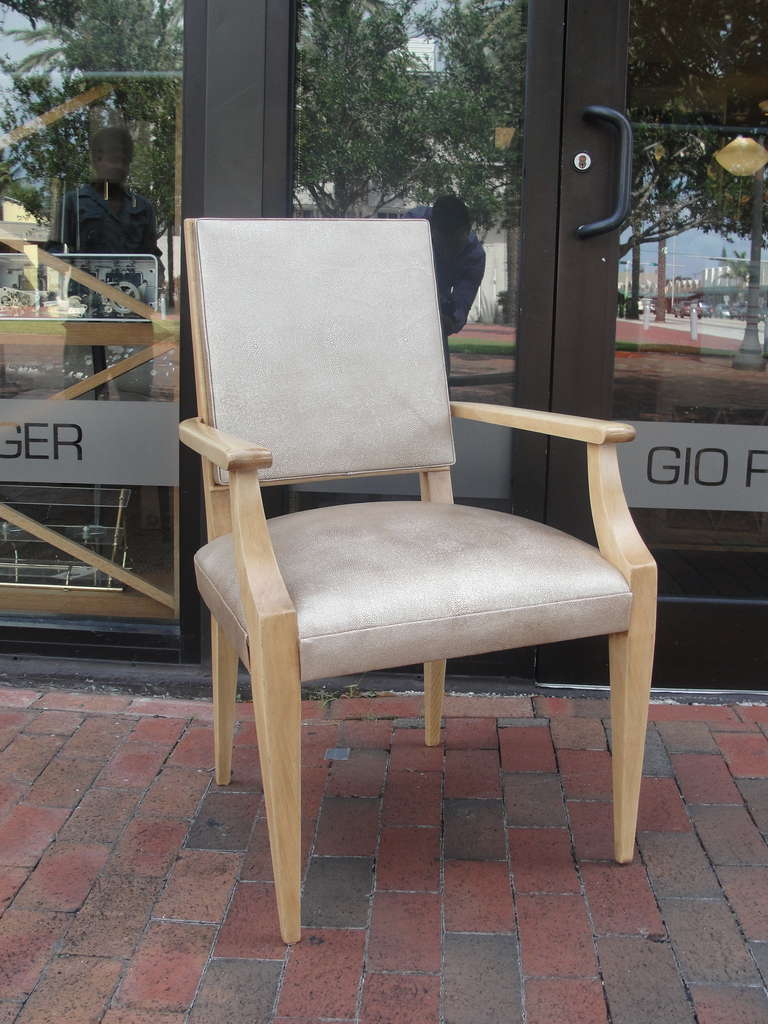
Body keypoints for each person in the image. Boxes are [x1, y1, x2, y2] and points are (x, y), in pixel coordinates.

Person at [406, 195, 486, 370]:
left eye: (455, 244)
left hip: (434, 319)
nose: (448, 253)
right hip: (398, 307)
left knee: (439, 377)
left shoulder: (473, 257)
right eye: (441, 246)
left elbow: (461, 305)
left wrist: (449, 321)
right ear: (430, 228)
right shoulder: (410, 226)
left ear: (468, 230)